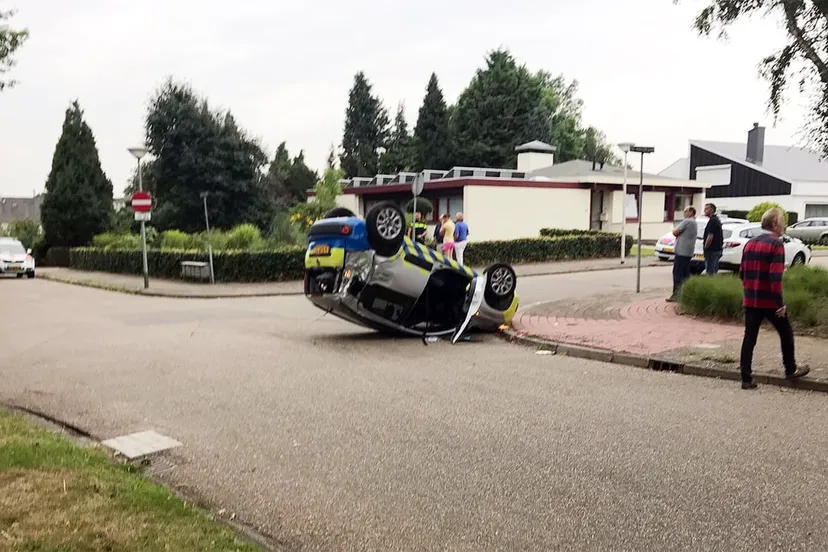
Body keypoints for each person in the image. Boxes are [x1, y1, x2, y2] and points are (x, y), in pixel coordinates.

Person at [738, 208, 810, 390]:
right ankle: (790, 369)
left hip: (751, 300)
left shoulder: (750, 244)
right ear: (775, 224)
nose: (784, 224)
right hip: (769, 301)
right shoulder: (776, 244)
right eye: (782, 221)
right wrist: (780, 303)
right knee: (785, 332)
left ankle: (746, 378)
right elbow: (775, 277)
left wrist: (748, 290)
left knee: (749, 338)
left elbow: (742, 272)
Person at [667, 206, 698, 302]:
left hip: (682, 251)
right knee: (685, 274)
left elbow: (675, 232)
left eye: (686, 211)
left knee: (677, 273)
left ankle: (676, 294)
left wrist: (675, 230)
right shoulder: (694, 222)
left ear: (691, 212)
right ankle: (688, 293)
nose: (684, 213)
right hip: (688, 252)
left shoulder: (687, 221)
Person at [702, 203, 723, 275]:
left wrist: (706, 247)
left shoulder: (713, 221)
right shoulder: (715, 220)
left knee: (710, 271)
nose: (704, 210)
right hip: (716, 250)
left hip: (712, 250)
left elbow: (710, 236)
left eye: (706, 209)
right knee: (713, 269)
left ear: (711, 210)